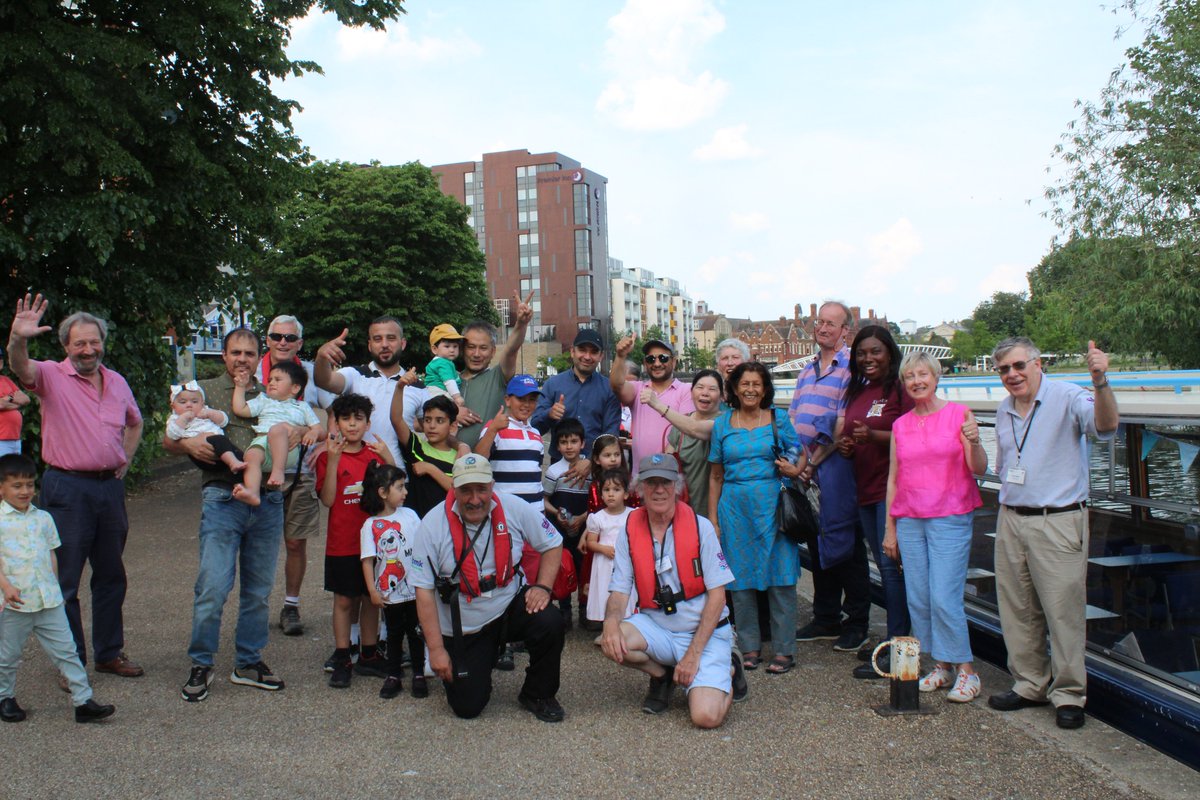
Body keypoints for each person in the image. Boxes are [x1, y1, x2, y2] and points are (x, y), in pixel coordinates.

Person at [6, 294, 144, 678]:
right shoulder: (51, 375)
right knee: (65, 579)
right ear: (66, 346)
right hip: (67, 489)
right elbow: (21, 367)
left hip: (109, 490)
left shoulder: (116, 381)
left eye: (94, 341)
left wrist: (126, 460)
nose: (88, 349)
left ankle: (109, 653)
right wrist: (19, 338)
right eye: (79, 343)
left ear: (103, 342)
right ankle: (72, 664)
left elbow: (135, 422)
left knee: (111, 574)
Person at [986, 337, 1118, 730]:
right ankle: (1029, 684)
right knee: (1018, 609)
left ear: (1038, 363)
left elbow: (1106, 426)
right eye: (1004, 369)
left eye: (1018, 366)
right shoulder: (1004, 408)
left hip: (1058, 519)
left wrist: (1100, 381)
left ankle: (1069, 694)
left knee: (1063, 612)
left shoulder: (1069, 396)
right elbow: (1007, 465)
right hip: (1011, 517)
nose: (1012, 375)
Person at [168, 328, 290, 702]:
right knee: (213, 586)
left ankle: (248, 662)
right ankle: (201, 662)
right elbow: (167, 438)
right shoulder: (200, 390)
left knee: (258, 591)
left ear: (259, 355)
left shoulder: (275, 388)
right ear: (223, 355)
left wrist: (300, 432)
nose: (242, 358)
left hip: (267, 500)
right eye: (235, 352)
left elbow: (299, 424)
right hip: (222, 498)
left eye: (249, 353)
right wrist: (187, 442)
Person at [411, 454, 568, 722]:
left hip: (507, 606)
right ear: (454, 489)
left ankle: (537, 693)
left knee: (550, 620)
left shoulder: (514, 507)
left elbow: (553, 542)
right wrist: (436, 650)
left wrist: (542, 586)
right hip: (464, 624)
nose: (474, 499)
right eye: (466, 491)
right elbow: (423, 591)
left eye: (481, 489)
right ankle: (480, 662)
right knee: (467, 707)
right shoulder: (432, 525)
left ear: (492, 487)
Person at [600, 454, 747, 727]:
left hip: (704, 631)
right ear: (638, 488)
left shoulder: (701, 528)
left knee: (705, 717)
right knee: (609, 641)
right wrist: (610, 623)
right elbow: (620, 590)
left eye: (666, 482)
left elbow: (718, 596)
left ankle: (728, 666)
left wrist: (692, 655)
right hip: (659, 627)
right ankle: (661, 675)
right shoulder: (629, 530)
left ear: (677, 486)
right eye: (651, 482)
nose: (659, 490)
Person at [883, 352, 988, 703]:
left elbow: (979, 469)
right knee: (920, 596)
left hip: (950, 515)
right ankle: (941, 664)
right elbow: (894, 478)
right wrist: (890, 528)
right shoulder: (901, 424)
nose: (916, 381)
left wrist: (974, 441)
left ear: (937, 376)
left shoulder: (960, 415)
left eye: (922, 374)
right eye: (909, 376)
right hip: (911, 517)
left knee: (944, 596)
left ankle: (967, 671)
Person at [0, 454, 116, 724]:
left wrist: (57, 588)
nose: (25, 491)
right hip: (15, 603)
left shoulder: (43, 518)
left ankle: (83, 701)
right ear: (1, 488)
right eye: (17, 486)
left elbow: (52, 554)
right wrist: (6, 586)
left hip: (48, 600)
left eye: (29, 485)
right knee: (8, 655)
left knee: (68, 651)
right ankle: (5, 697)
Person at [708, 362, 804, 674]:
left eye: (757, 384)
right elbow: (716, 475)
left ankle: (784, 650)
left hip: (774, 506)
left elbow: (800, 453)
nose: (750, 389)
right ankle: (749, 647)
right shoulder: (722, 424)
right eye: (744, 384)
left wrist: (795, 468)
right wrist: (713, 518)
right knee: (740, 579)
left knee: (781, 577)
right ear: (734, 389)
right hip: (735, 509)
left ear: (765, 389)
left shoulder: (778, 418)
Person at [789, 301, 872, 654]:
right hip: (807, 472)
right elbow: (794, 418)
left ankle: (857, 623)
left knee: (848, 547)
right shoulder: (807, 371)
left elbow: (843, 426)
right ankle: (826, 617)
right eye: (819, 321)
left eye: (830, 323)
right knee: (817, 544)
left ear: (845, 331)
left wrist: (812, 462)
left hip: (835, 470)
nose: (822, 328)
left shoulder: (851, 370)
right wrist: (798, 463)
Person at [834, 326, 913, 680]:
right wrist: (850, 447)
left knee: (894, 572)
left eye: (875, 351)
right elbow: (854, 435)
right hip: (864, 490)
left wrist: (876, 436)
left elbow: (915, 432)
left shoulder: (901, 389)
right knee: (885, 570)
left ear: (890, 353)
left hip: (892, 493)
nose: (868, 358)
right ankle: (896, 643)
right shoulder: (860, 391)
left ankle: (901, 653)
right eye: (862, 353)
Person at [259, 314, 335, 638]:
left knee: (295, 542)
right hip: (259, 473)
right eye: (277, 336)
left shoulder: (310, 378)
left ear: (299, 344)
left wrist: (322, 442)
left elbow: (333, 413)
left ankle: (291, 605)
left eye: (290, 338)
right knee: (257, 544)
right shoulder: (253, 373)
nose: (283, 342)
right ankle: (255, 606)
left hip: (300, 473)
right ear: (267, 339)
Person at [316, 393, 394, 689]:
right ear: (336, 422)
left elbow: (395, 490)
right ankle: (342, 655)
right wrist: (334, 462)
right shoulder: (327, 456)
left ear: (368, 423)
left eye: (358, 419)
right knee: (344, 600)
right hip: (342, 541)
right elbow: (328, 499)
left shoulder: (373, 455)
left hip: (372, 543)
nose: (352, 424)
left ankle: (369, 653)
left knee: (370, 599)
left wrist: (387, 457)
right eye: (345, 418)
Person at [314, 315, 425, 464]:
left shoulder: (418, 387)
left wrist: (460, 445)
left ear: (402, 343)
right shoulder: (354, 375)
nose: (384, 344)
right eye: (378, 339)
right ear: (370, 345)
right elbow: (324, 381)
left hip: (401, 478)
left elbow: (436, 429)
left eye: (391, 338)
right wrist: (321, 357)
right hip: (357, 477)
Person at [358, 462, 426, 700]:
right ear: (383, 492)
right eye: (399, 487)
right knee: (394, 634)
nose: (405, 492)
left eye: (404, 486)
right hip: (390, 592)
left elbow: (422, 546)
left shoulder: (411, 515)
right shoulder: (370, 526)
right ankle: (393, 674)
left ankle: (419, 673)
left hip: (415, 588)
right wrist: (372, 590)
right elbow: (367, 560)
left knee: (417, 632)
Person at [230, 361, 324, 506]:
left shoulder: (302, 406)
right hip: (262, 443)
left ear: (295, 388)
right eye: (269, 380)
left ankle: (278, 471)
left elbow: (318, 428)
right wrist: (240, 387)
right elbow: (240, 409)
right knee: (250, 456)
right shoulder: (263, 400)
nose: (271, 383)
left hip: (287, 450)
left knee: (278, 429)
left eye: (278, 379)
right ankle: (252, 492)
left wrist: (313, 433)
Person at [642, 368, 725, 519]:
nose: (705, 393)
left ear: (722, 396)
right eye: (700, 387)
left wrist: (657, 404)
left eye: (712, 389)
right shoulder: (680, 424)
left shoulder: (725, 423)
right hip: (681, 509)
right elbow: (667, 463)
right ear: (692, 391)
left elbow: (694, 429)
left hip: (715, 513)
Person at [455, 292, 534, 448]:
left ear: (492, 352)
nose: (476, 354)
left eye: (483, 348)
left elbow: (511, 349)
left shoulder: (498, 377)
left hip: (490, 465)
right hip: (448, 466)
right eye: (471, 347)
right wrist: (451, 413)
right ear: (463, 349)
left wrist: (521, 324)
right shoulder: (448, 380)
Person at [532, 328, 621, 462]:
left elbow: (611, 433)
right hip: (559, 466)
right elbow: (535, 428)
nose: (587, 356)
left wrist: (590, 461)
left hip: (596, 466)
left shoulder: (609, 389)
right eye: (582, 350)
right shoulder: (553, 384)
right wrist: (549, 414)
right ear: (572, 351)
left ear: (601, 356)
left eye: (594, 352)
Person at [611, 335, 694, 475]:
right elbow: (616, 385)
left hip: (672, 479)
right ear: (645, 363)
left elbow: (686, 430)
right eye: (651, 359)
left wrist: (657, 404)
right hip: (640, 478)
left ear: (673, 362)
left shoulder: (686, 390)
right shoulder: (637, 389)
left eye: (663, 358)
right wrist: (620, 356)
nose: (656, 363)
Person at [390, 375, 470, 517]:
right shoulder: (417, 447)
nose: (432, 426)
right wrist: (399, 387)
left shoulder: (460, 457)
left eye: (439, 421)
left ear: (452, 426)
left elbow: (460, 491)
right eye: (427, 420)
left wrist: (429, 468)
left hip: (446, 527)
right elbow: (396, 419)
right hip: (417, 525)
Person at [542, 417, 590, 626]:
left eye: (573, 441)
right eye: (564, 442)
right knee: (563, 568)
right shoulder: (553, 472)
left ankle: (586, 609)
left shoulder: (591, 471)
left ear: (583, 443)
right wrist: (557, 514)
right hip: (560, 528)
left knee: (584, 568)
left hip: (585, 529)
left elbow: (599, 501)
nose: (569, 446)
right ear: (557, 445)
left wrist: (583, 517)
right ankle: (564, 610)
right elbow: (543, 499)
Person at [473, 374, 544, 505]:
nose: (526, 404)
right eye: (521, 398)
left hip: (535, 510)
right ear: (507, 400)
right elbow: (478, 460)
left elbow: (536, 477)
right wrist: (493, 429)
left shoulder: (536, 434)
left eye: (532, 399)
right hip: (505, 512)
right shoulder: (495, 427)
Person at [582, 468, 636, 628]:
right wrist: (603, 549)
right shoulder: (597, 518)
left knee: (627, 591)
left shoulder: (632, 515)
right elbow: (590, 542)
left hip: (626, 561)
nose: (611, 494)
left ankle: (626, 625)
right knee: (605, 590)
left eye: (616, 489)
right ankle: (608, 628)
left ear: (626, 494)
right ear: (601, 494)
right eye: (606, 490)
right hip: (605, 563)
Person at [166, 381, 247, 474]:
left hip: (221, 446)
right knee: (221, 442)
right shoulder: (175, 419)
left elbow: (224, 421)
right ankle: (233, 462)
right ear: (173, 406)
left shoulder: (205, 411)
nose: (189, 405)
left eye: (194, 401)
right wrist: (183, 419)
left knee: (237, 455)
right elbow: (172, 435)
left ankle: (238, 478)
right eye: (183, 402)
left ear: (202, 403)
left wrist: (211, 414)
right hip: (201, 455)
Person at [425, 323, 466, 405]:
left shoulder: (439, 362)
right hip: (439, 392)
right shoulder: (443, 363)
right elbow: (449, 381)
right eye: (447, 346)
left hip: (433, 391)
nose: (452, 350)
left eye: (455, 346)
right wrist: (457, 397)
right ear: (434, 349)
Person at [0, 346, 31, 456]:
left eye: (0, 358)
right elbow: (0, 404)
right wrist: (15, 401)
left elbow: (26, 399)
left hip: (15, 439)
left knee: (13, 473)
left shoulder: (6, 380)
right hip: (1, 441)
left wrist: (8, 399)